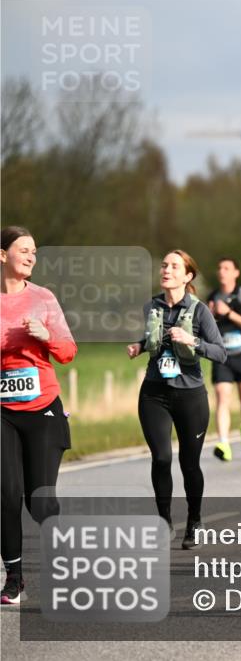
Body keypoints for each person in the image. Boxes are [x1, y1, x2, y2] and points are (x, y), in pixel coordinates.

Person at [127, 250, 227, 549]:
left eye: (174, 266)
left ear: (187, 276)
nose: (166, 270)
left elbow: (220, 352)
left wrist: (192, 340)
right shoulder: (151, 307)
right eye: (164, 265)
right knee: (161, 458)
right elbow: (154, 337)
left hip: (190, 395)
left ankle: (194, 521)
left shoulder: (199, 311)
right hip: (154, 393)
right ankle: (164, 521)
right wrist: (140, 346)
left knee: (189, 463)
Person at [0, 226, 77, 605]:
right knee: (5, 494)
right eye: (24, 250)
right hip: (3, 413)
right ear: (2, 255)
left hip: (43, 407)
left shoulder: (43, 298)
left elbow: (68, 351)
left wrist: (46, 336)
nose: (31, 256)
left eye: (34, 251)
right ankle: (14, 578)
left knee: (40, 502)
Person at [207, 259, 241, 461]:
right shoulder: (213, 296)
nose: (222, 272)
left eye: (227, 268)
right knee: (222, 397)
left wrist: (228, 312)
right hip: (222, 355)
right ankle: (224, 443)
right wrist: (210, 316)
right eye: (219, 268)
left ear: (236, 273)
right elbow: (206, 329)